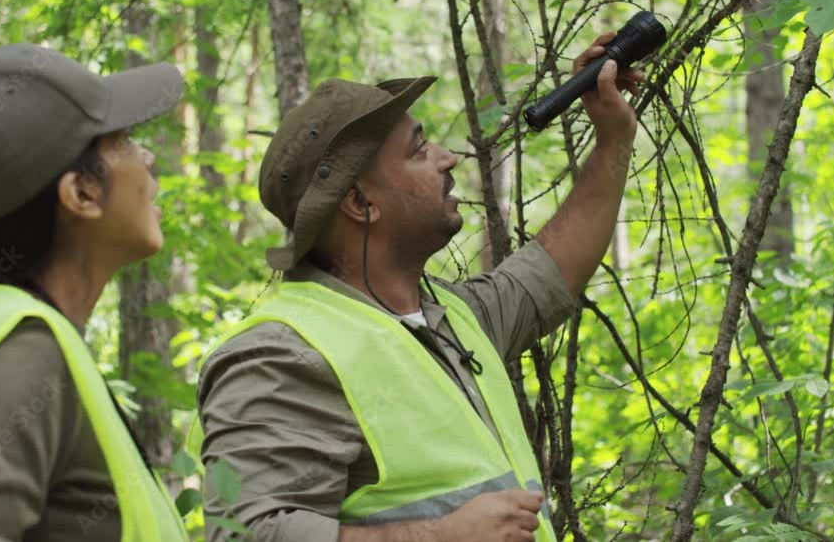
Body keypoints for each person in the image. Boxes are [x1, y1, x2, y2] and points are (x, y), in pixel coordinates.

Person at [196, 33, 641, 542]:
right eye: (419, 150)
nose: (446, 159)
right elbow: (242, 533)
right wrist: (436, 537)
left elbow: (554, 266)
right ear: (361, 204)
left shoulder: (451, 319)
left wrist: (614, 138)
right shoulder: (281, 355)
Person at [0, 43, 189, 541]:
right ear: (81, 194)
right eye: (127, 140)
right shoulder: (24, 353)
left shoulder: (26, 337)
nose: (149, 157)